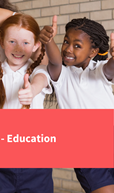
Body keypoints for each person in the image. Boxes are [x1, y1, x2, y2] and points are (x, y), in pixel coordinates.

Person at [0, 14, 53, 193]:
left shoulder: (40, 71)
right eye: (12, 41)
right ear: (0, 41)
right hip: (0, 164)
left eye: (25, 43)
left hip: (37, 164)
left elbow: (40, 82)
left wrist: (31, 91)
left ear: (36, 44)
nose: (18, 48)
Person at [39, 16, 114, 193]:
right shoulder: (62, 75)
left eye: (77, 45)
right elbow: (55, 61)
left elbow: (110, 69)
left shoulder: (99, 70)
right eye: (66, 42)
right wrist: (48, 42)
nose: (68, 49)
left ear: (93, 51)